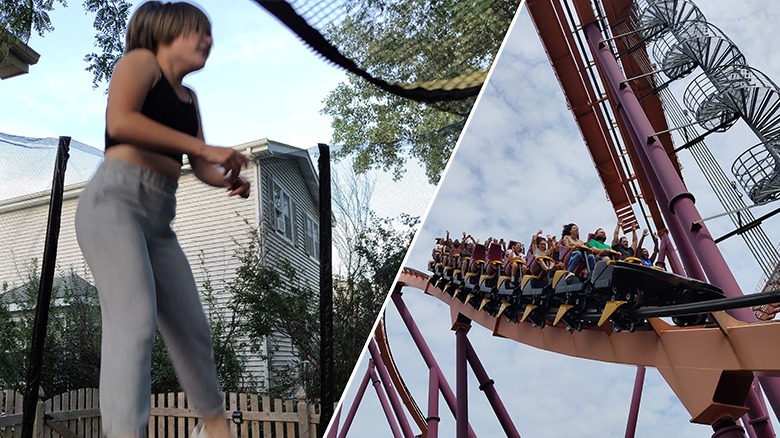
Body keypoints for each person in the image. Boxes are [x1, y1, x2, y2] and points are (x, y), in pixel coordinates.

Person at [74, 3, 248, 437]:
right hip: (114, 204)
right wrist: (205, 150)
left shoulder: (190, 101)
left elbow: (196, 163)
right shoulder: (140, 63)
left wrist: (225, 176)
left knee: (192, 326)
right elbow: (123, 120)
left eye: (210, 34)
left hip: (158, 219)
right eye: (199, 32)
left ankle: (215, 427)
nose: (208, 40)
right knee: (133, 321)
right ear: (168, 30)